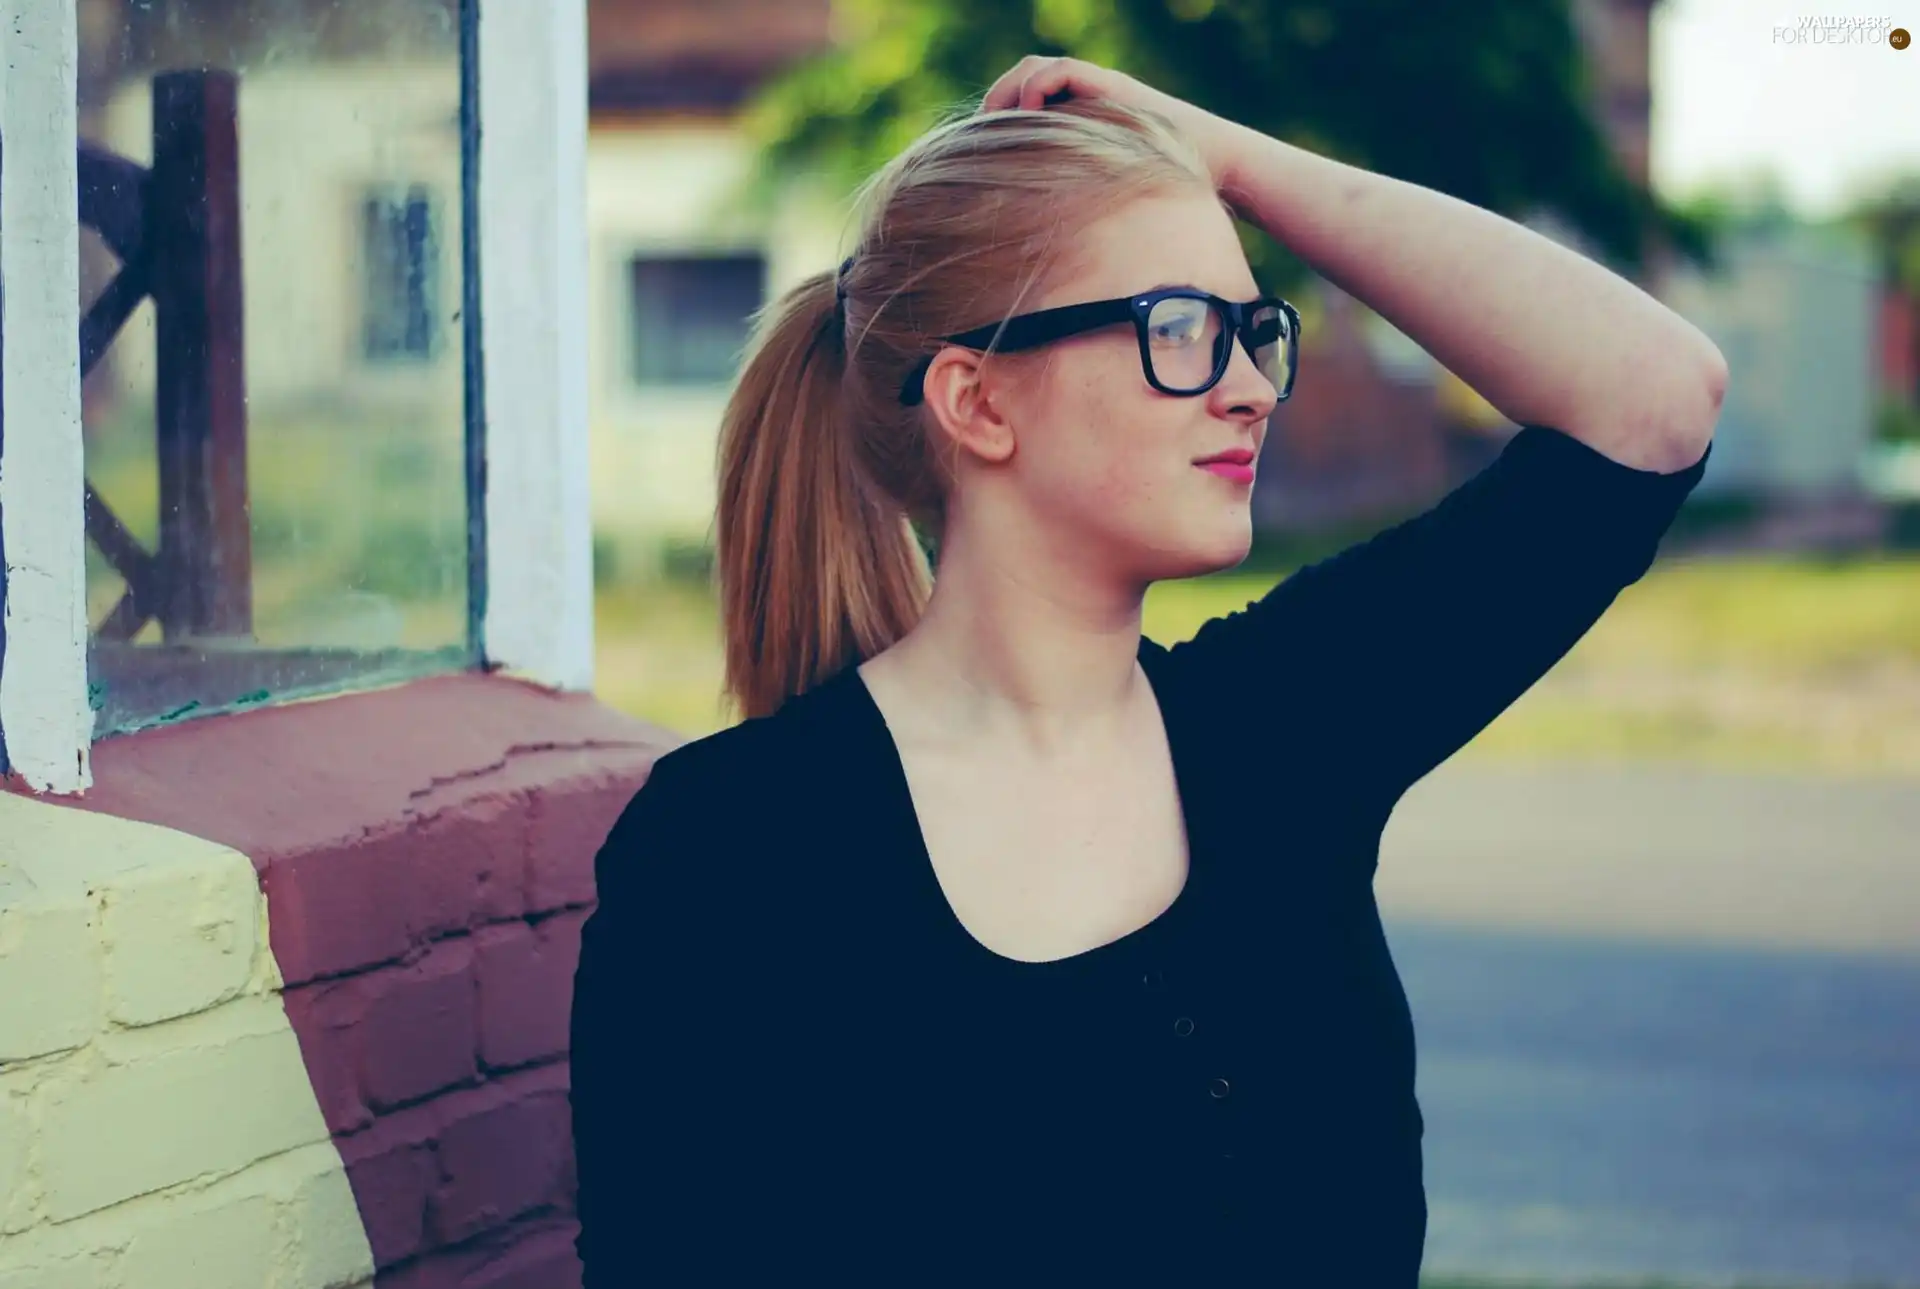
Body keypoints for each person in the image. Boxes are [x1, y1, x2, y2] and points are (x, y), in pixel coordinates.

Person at [569, 56, 1722, 1288]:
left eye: (1252, 331)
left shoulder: (1285, 725)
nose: (1247, 389)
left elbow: (1654, 403)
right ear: (978, 399)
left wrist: (1230, 160)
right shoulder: (729, 853)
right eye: (1180, 330)